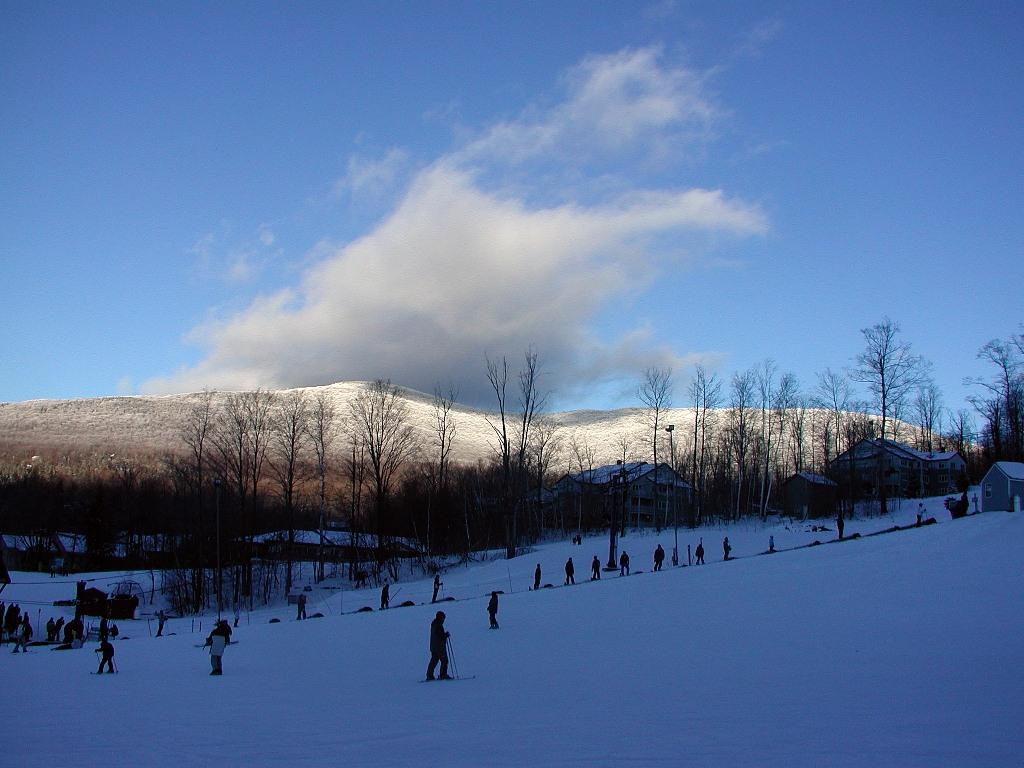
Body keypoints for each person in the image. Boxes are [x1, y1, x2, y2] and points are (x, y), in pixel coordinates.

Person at [426, 611, 450, 680]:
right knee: (444, 660)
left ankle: (429, 675)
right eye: (443, 618)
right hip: (439, 647)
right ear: (440, 618)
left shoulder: (434, 624)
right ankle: (443, 675)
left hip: (434, 646)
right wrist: (445, 635)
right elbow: (440, 636)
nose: (444, 619)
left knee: (434, 661)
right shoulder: (438, 625)